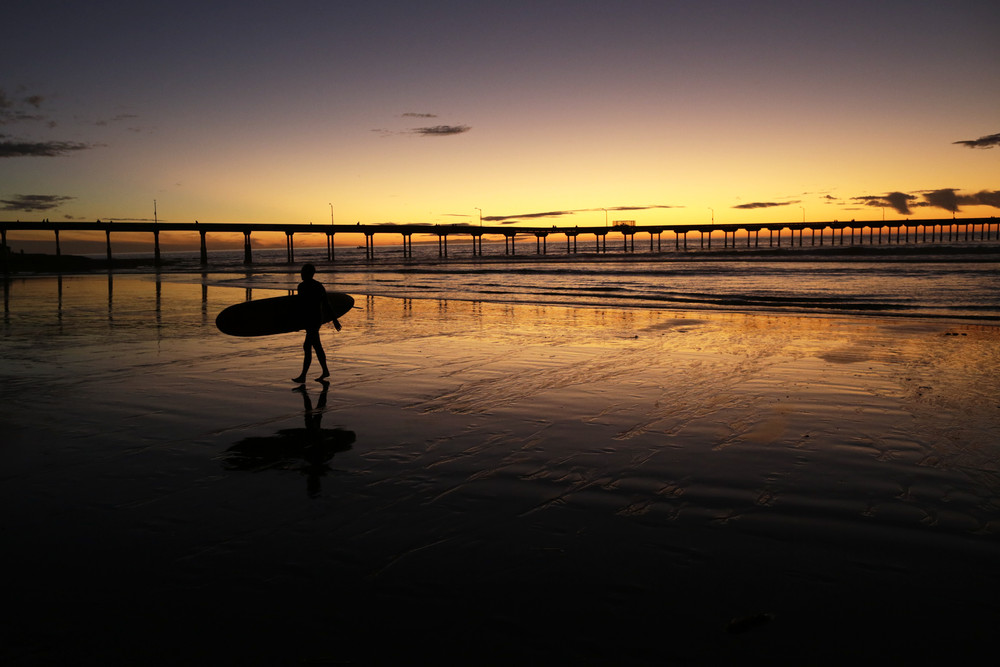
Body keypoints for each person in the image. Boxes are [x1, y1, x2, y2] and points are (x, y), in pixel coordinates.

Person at [291, 263, 337, 383]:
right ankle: (325, 371)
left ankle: (303, 376)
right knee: (316, 346)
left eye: (303, 272)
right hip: (313, 319)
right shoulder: (316, 286)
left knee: (307, 346)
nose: (301, 274)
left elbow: (325, 303)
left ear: (308, 273)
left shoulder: (307, 287)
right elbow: (302, 306)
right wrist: (297, 323)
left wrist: (335, 320)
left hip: (314, 319)